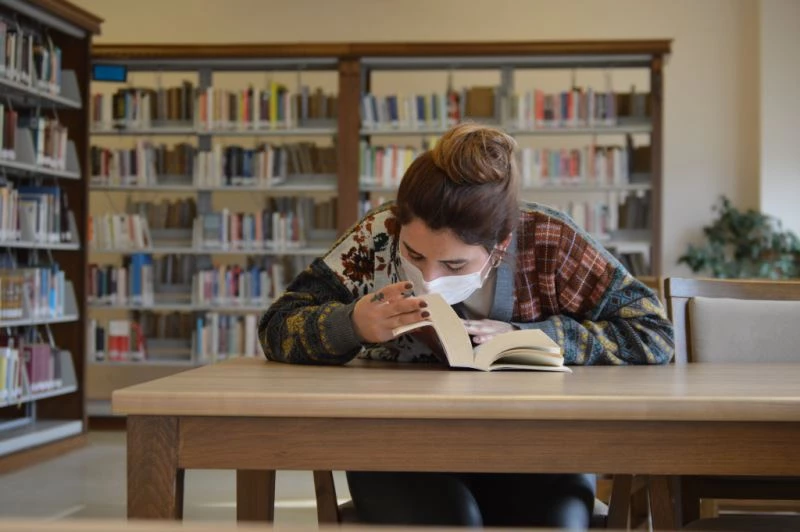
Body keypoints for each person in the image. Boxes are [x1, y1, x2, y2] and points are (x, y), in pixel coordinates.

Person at [258, 123, 674, 529]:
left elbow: (654, 333)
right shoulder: (376, 236)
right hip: (397, 446)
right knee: (452, 523)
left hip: (536, 447)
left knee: (552, 523)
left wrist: (537, 339)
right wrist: (352, 324)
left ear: (501, 245)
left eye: (455, 264)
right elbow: (276, 326)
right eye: (414, 255)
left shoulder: (550, 241)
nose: (431, 278)